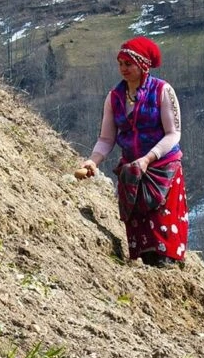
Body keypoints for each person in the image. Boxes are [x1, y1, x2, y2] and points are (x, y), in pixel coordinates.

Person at [73, 37, 187, 267]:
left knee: (163, 231)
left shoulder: (162, 91)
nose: (123, 69)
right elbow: (106, 138)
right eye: (120, 64)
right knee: (141, 232)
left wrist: (148, 158)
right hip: (132, 172)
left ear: (143, 65)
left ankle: (168, 269)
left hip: (162, 169)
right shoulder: (114, 98)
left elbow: (173, 134)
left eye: (128, 64)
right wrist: (92, 162)